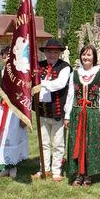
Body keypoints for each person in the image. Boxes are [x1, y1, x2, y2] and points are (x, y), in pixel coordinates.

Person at [64, 45, 100, 187]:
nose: (86, 57)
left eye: (89, 55)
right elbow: (70, 95)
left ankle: (88, 175)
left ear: (94, 57)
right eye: (84, 54)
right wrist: (67, 115)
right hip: (77, 113)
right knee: (76, 141)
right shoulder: (74, 74)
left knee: (90, 143)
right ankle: (78, 174)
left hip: (93, 113)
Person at [32, 39, 71, 181]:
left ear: (60, 53)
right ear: (45, 52)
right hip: (42, 110)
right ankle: (44, 169)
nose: (52, 54)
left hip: (57, 111)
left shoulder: (65, 67)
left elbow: (59, 84)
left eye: (55, 52)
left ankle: (56, 171)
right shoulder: (39, 66)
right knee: (44, 142)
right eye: (49, 51)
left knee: (58, 143)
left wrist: (40, 84)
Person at [0, 45, 28, 179]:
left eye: (10, 57)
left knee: (13, 136)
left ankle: (13, 166)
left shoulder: (21, 74)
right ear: (2, 58)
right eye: (5, 57)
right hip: (0, 109)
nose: (7, 59)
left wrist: (24, 116)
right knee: (1, 137)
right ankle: (3, 167)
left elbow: (25, 96)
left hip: (14, 111)